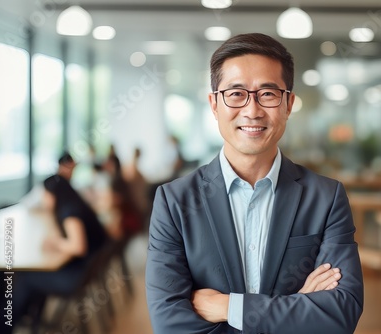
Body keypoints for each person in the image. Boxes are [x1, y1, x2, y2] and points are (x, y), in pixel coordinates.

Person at [146, 33, 363, 334]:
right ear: (214, 104)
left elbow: (340, 314)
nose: (252, 110)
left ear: (288, 104)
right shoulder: (174, 202)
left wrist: (228, 308)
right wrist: (296, 307)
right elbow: (170, 325)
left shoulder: (326, 197)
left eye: (268, 94)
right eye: (236, 94)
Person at [0, 174, 109, 334]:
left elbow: (79, 247)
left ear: (54, 194)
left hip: (76, 277)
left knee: (25, 277)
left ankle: (4, 325)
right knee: (27, 276)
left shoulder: (70, 212)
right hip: (87, 272)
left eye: (45, 194)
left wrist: (55, 243)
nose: (43, 199)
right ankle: (28, 316)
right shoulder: (75, 204)